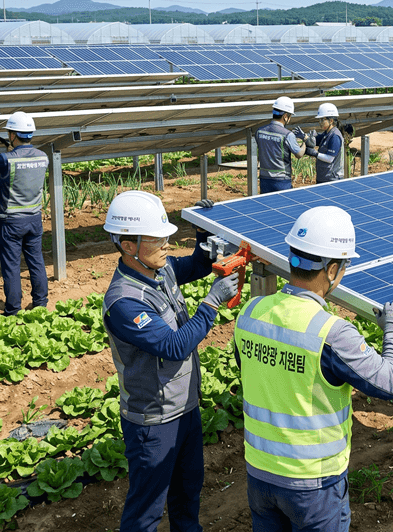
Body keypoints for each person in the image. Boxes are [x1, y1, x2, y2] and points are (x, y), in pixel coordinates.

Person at [236, 205, 393, 532]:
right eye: (343, 266)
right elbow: (389, 382)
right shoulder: (331, 333)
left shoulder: (252, 311)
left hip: (259, 473)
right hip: (311, 485)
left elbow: (250, 366)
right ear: (331, 270)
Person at [100, 192, 237, 532]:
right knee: (146, 511)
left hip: (185, 410)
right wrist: (211, 304)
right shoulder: (124, 302)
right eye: (157, 238)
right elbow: (174, 346)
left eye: (166, 236)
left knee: (187, 496)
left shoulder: (160, 270)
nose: (166, 244)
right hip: (154, 422)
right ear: (128, 245)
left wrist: (204, 234)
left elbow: (197, 265)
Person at [0, 112, 49, 317]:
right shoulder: (43, 157)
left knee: (11, 267)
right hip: (34, 219)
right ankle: (40, 304)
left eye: (9, 133)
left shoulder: (6, 159)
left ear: (14, 135)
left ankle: (13, 310)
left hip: (12, 222)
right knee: (36, 261)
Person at [256, 96, 306, 193]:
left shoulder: (260, 131)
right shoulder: (288, 134)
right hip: (282, 180)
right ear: (285, 116)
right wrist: (305, 143)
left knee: (267, 205)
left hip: (264, 179)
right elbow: (299, 154)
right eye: (290, 116)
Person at [305, 103, 345, 183]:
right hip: (323, 177)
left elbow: (330, 158)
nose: (320, 122)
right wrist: (304, 137)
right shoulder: (326, 133)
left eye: (322, 120)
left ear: (331, 121)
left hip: (331, 179)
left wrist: (315, 154)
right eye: (319, 120)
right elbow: (316, 140)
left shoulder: (335, 136)